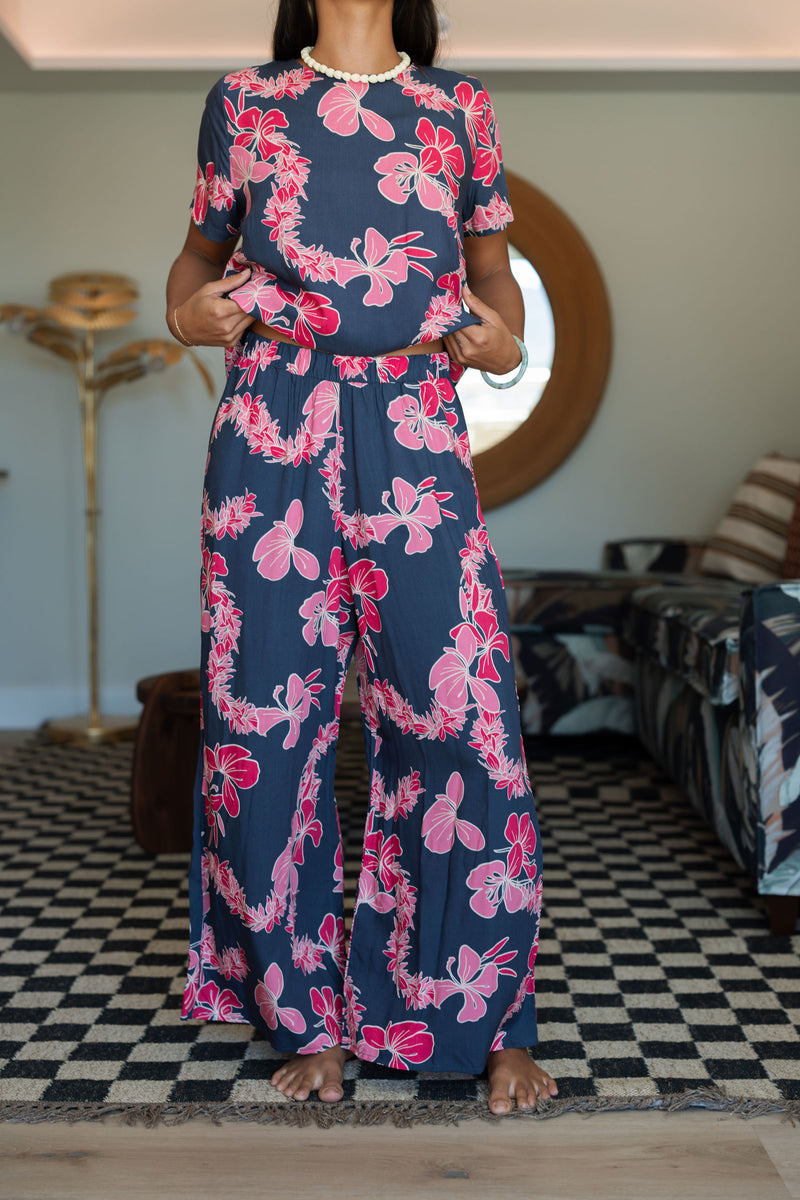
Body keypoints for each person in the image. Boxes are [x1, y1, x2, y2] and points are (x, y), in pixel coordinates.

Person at [166, 0, 558, 1116]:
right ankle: (309, 1021)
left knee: (460, 717)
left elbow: (497, 298)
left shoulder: (455, 108)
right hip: (269, 422)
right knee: (263, 726)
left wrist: (501, 344)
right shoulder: (242, 101)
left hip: (416, 424)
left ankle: (486, 1018)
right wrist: (193, 314)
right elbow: (190, 274)